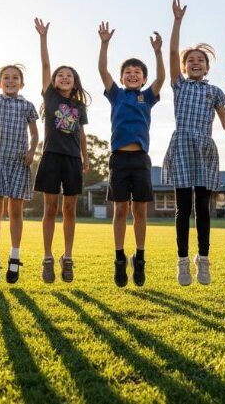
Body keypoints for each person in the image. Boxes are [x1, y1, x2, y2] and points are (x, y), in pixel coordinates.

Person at [165, 0, 225, 287]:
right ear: (184, 66)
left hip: (204, 148)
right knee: (182, 208)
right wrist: (177, 21)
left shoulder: (214, 91)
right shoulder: (179, 85)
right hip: (181, 146)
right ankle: (182, 261)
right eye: (190, 61)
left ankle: (202, 260)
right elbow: (173, 50)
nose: (195, 63)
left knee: (202, 208)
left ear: (206, 66)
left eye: (200, 61)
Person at [98, 21, 164, 287]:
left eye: (137, 72)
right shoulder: (116, 95)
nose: (132, 74)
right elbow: (102, 70)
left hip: (140, 159)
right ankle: (118, 258)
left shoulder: (146, 97)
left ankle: (140, 257)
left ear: (143, 78)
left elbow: (161, 79)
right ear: (122, 76)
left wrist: (158, 52)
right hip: (118, 159)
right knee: (120, 210)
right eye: (128, 71)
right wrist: (104, 43)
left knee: (139, 211)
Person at [0, 26, 39, 284]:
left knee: (16, 212)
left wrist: (31, 151)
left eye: (15, 77)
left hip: (18, 161)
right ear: (1, 83)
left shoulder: (27, 105)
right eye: (7, 77)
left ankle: (14, 258)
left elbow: (35, 134)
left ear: (22, 83)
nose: (11, 80)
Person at [33, 18, 90, 283]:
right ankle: (47, 257)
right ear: (54, 81)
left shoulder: (79, 105)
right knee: (50, 208)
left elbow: (80, 132)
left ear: (74, 81)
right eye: (60, 75)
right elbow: (45, 64)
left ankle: (67, 257)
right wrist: (43, 38)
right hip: (51, 157)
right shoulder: (51, 97)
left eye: (69, 75)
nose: (64, 77)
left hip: (72, 160)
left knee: (69, 209)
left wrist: (85, 158)